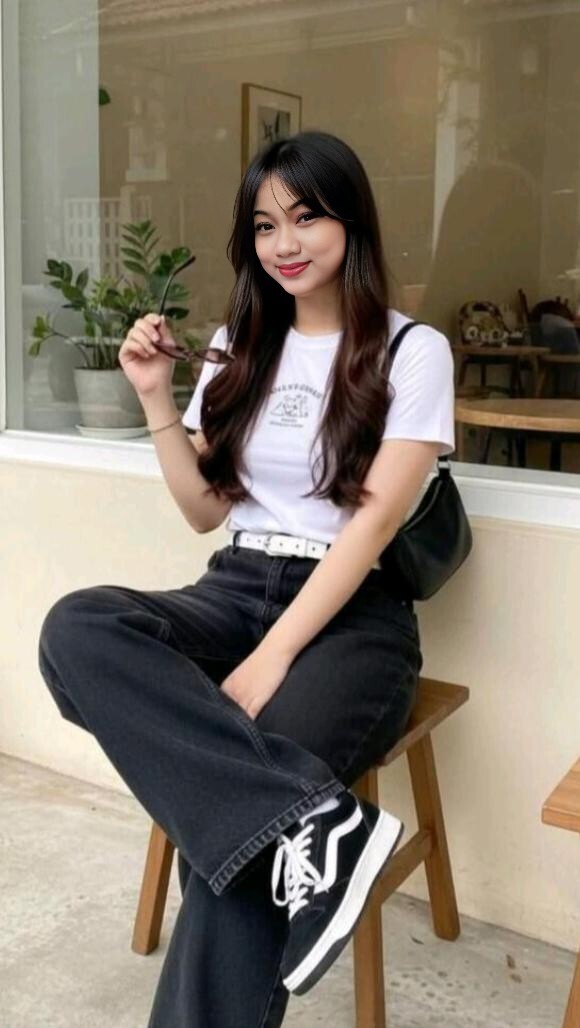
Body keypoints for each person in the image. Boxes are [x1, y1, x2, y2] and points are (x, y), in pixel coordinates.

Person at [37, 130, 455, 1028]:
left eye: (307, 217)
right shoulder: (241, 345)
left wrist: (272, 657)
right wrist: (155, 396)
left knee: (244, 849)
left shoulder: (413, 351)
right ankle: (319, 827)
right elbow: (203, 510)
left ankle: (296, 827)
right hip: (234, 584)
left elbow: (373, 526)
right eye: (265, 226)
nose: (285, 243)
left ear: (352, 220)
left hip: (352, 615)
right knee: (79, 630)